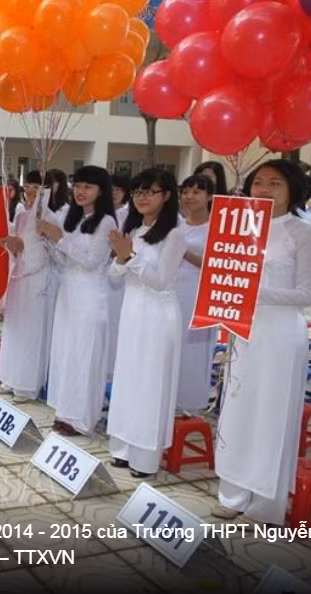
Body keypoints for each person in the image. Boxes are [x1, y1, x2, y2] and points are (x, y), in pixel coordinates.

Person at [212, 160, 311, 526]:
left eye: (275, 183)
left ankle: (264, 504)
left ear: (292, 190)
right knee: (238, 410)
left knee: (270, 416)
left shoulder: (302, 233)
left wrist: (252, 288)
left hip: (280, 336)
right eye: (259, 182)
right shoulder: (238, 227)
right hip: (244, 331)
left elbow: (306, 293)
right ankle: (234, 493)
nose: (265, 189)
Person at [106, 168, 186, 478]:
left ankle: (146, 457)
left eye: (149, 191)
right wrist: (121, 257)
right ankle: (124, 448)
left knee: (152, 384)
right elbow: (114, 276)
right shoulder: (135, 231)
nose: (141, 197)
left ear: (166, 195)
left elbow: (160, 280)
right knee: (129, 380)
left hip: (158, 315)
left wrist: (130, 258)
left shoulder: (175, 234)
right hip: (132, 312)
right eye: (138, 191)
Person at [39, 166, 118, 435]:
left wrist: (58, 238)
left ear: (101, 191)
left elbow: (91, 261)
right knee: (66, 352)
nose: (81, 191)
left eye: (89, 187)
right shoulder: (73, 219)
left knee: (85, 355)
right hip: (68, 293)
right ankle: (65, 411)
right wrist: (49, 242)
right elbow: (65, 261)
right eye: (78, 185)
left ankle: (83, 417)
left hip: (90, 295)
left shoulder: (106, 221)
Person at [0, 171, 53, 404]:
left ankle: (27, 384)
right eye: (27, 185)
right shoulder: (21, 214)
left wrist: (23, 250)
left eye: (35, 187)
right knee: (15, 328)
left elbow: (46, 253)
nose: (30, 191)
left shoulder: (48, 216)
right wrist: (12, 247)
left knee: (30, 330)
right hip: (19, 274)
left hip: (36, 277)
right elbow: (18, 249)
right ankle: (10, 376)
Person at [176, 174, 218, 414]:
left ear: (209, 196)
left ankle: (189, 404)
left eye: (197, 192)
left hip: (197, 293)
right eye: (186, 191)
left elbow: (215, 264)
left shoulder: (215, 227)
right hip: (173, 292)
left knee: (193, 350)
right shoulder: (177, 226)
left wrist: (184, 253)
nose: (190, 197)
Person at [106, 174, 132, 377]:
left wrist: (118, 250)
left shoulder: (127, 215)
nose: (114, 193)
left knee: (115, 322)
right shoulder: (102, 214)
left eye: (118, 190)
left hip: (122, 273)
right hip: (103, 274)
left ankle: (112, 371)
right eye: (111, 189)